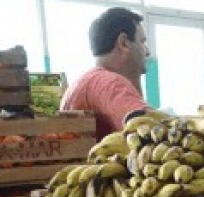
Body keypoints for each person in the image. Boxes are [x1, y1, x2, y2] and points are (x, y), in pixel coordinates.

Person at [61, 7, 151, 140]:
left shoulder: (86, 82)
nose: (147, 51)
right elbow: (151, 129)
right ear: (124, 43)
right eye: (142, 42)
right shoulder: (110, 84)